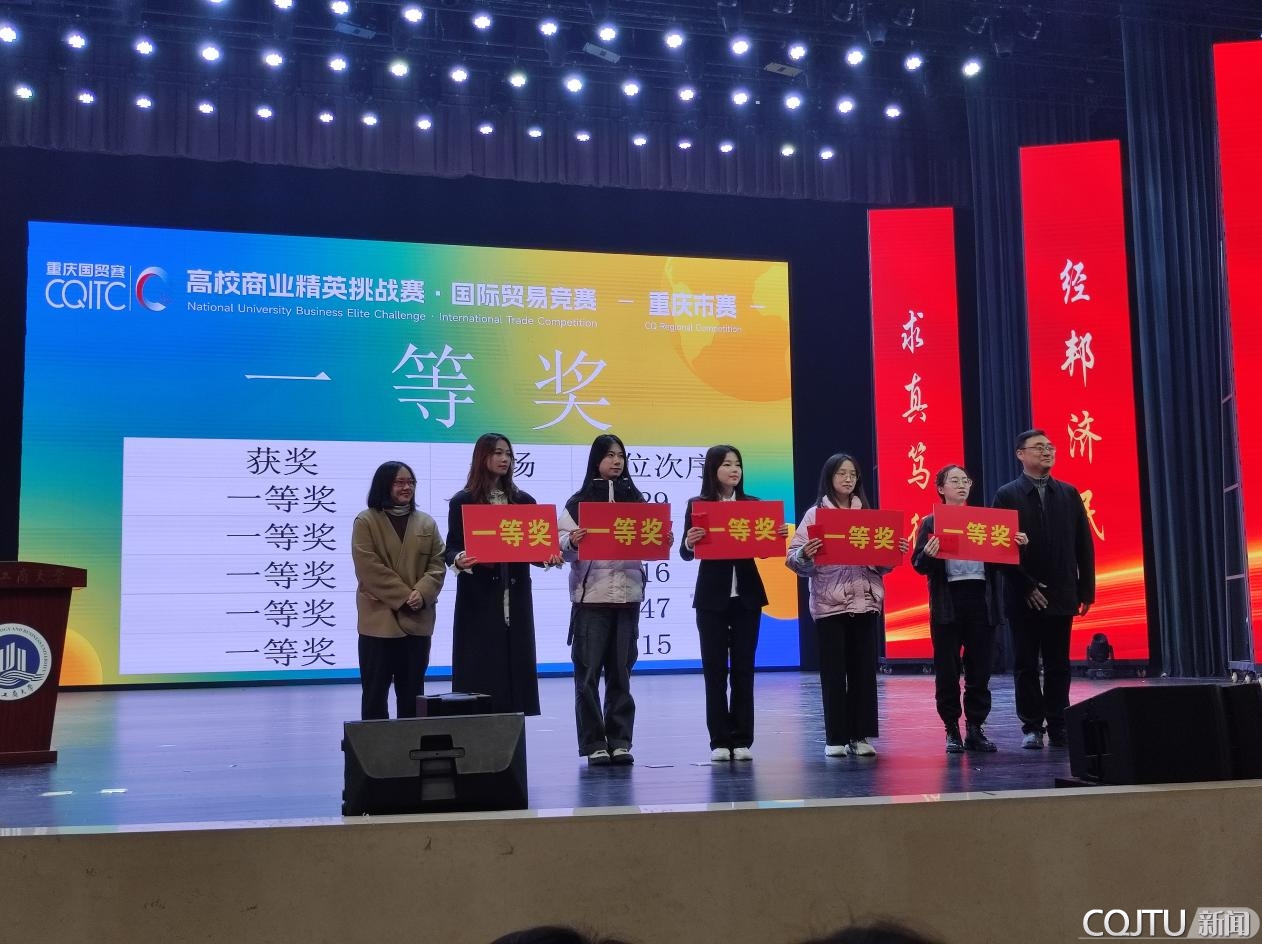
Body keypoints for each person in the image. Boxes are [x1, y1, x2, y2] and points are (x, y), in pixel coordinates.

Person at [787, 453, 909, 758]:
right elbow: (793, 558)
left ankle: (860, 735)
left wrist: (893, 551)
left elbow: (881, 565)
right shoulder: (815, 515)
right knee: (833, 673)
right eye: (842, 473)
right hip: (831, 604)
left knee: (863, 673)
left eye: (853, 474)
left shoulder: (868, 515)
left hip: (866, 603)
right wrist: (805, 553)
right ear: (829, 478)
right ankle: (836, 738)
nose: (848, 479)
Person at [559, 434, 668, 767]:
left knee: (621, 674)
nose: (616, 461)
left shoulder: (636, 500)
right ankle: (594, 743)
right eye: (609, 455)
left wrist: (662, 539)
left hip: (628, 597)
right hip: (591, 599)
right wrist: (572, 542)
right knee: (588, 675)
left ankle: (620, 741)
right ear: (596, 460)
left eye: (620, 455)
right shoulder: (578, 502)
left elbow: (652, 541)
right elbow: (560, 547)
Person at [679, 444, 788, 762]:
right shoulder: (698, 504)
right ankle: (719, 740)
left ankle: (741, 739)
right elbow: (686, 553)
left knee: (743, 669)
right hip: (711, 599)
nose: (734, 470)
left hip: (747, 598)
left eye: (737, 464)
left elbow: (764, 551)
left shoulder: (752, 505)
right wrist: (690, 541)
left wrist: (776, 535)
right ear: (713, 469)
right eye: (727, 464)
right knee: (714, 671)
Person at [912, 464, 1028, 753]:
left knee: (980, 669)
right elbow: (918, 565)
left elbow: (1002, 562)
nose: (962, 485)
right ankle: (951, 728)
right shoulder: (930, 522)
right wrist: (929, 555)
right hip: (948, 601)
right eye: (954, 481)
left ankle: (975, 728)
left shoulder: (984, 521)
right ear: (941, 488)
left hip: (982, 600)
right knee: (947, 670)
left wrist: (1018, 546)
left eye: (965, 480)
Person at [445, 433, 563, 716]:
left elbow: (535, 549)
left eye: (508, 454)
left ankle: (512, 734)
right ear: (482, 457)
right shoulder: (463, 501)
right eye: (497, 453)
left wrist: (548, 557)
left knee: (515, 672)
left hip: (516, 595)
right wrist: (460, 559)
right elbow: (451, 547)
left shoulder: (524, 501)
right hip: (480, 598)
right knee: (481, 670)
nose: (504, 459)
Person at [992, 429, 1096, 749]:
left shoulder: (1068, 493)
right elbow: (999, 549)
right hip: (1022, 595)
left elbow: (1083, 545)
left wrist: (1086, 590)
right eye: (1038, 448)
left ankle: (1059, 723)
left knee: (1058, 664)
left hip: (1062, 592)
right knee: (1025, 664)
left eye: (1050, 447)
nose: (1047, 452)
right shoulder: (1007, 495)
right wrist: (1026, 586)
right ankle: (1032, 726)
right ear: (1020, 454)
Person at [351, 460, 446, 721]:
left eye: (411, 482)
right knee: (374, 695)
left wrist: (422, 592)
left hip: (417, 621)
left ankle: (412, 745)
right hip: (378, 622)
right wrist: (405, 596)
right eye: (399, 482)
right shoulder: (366, 520)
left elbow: (437, 564)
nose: (407, 487)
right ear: (384, 485)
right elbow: (368, 567)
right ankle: (375, 746)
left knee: (413, 696)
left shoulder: (426, 522)